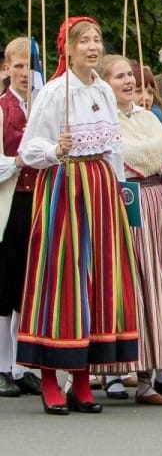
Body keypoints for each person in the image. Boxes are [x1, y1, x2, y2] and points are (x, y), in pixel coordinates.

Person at [17, 17, 138, 415]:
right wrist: (55, 149)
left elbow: (114, 149)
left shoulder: (103, 90)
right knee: (63, 278)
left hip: (100, 189)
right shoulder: (54, 92)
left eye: (97, 39)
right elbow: (28, 149)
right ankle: (50, 377)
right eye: (83, 40)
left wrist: (120, 193)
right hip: (65, 187)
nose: (91, 46)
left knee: (98, 279)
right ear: (66, 49)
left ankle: (82, 378)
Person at [98, 55, 162, 404]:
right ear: (104, 83)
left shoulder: (151, 121)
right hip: (121, 206)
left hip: (156, 207)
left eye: (132, 79)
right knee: (124, 287)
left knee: (156, 287)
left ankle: (147, 377)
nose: (128, 84)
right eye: (120, 77)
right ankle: (110, 370)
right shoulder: (101, 120)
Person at [0, 37, 43, 398]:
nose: (24, 73)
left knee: (27, 286)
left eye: (29, 66)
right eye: (18, 66)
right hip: (10, 202)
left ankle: (19, 365)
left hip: (39, 201)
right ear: (6, 69)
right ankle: (1, 365)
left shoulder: (41, 106)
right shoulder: (2, 108)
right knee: (5, 284)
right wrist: (16, 161)